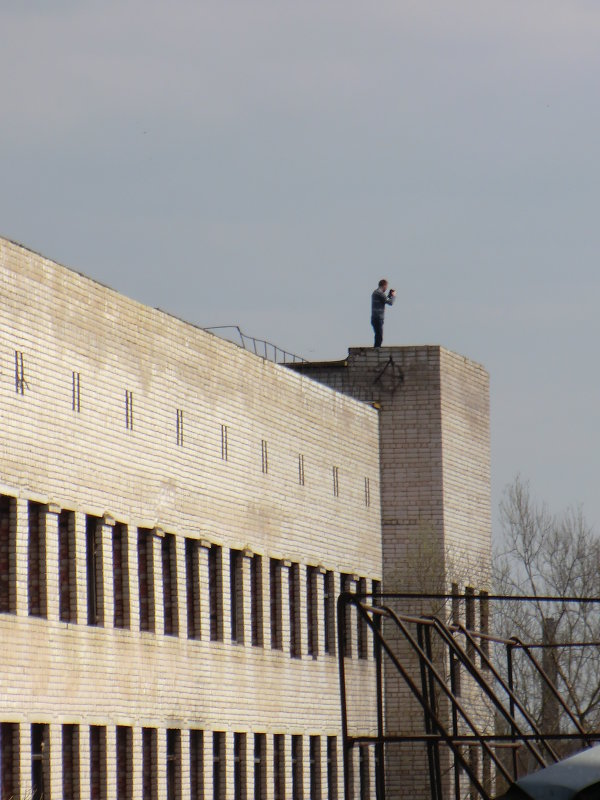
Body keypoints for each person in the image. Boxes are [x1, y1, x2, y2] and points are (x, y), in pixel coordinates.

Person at [371, 279, 396, 347]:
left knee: (378, 336)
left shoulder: (376, 292)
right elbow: (390, 302)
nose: (386, 288)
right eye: (386, 286)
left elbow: (384, 300)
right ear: (384, 285)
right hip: (378, 318)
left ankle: (376, 350)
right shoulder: (379, 293)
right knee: (379, 337)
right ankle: (376, 351)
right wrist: (393, 296)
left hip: (375, 318)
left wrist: (389, 296)